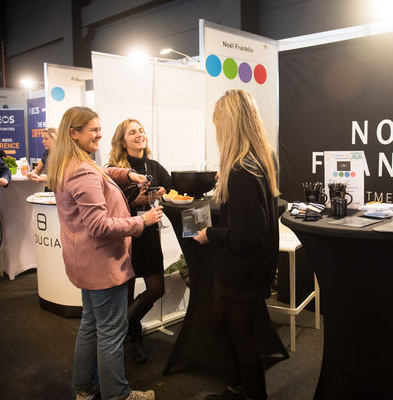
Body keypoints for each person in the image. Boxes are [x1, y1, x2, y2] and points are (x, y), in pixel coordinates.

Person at [47, 106, 162, 400]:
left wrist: (128, 174)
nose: (99, 134)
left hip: (85, 263)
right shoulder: (82, 170)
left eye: (100, 129)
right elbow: (99, 227)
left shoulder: (69, 164)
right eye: (93, 130)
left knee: (90, 325)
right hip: (103, 264)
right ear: (74, 133)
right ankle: (118, 394)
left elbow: (104, 173)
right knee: (111, 332)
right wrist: (142, 222)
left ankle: (85, 388)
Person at [193, 89, 280, 400]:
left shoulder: (242, 169)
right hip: (255, 266)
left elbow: (247, 237)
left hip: (243, 268)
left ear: (229, 125)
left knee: (243, 337)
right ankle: (236, 386)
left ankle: (249, 393)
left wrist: (211, 234)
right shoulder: (262, 159)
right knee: (220, 320)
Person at [108, 118, 172, 364]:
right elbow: (110, 205)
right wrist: (135, 202)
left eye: (141, 131)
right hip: (125, 237)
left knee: (156, 289)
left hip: (150, 235)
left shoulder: (153, 165)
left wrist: (162, 192)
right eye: (132, 132)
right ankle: (135, 339)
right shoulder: (114, 169)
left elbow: (170, 184)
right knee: (126, 293)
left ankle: (123, 327)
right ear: (122, 141)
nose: (139, 135)